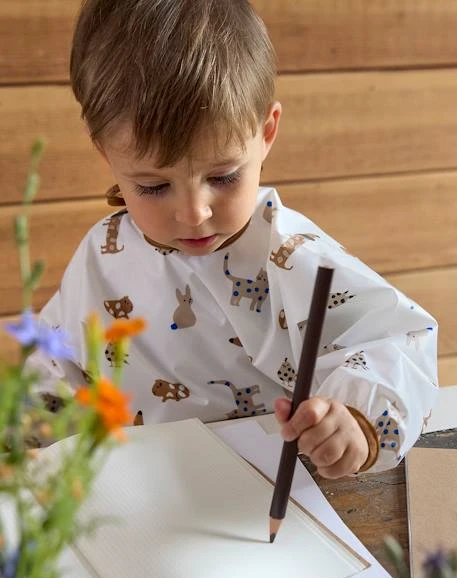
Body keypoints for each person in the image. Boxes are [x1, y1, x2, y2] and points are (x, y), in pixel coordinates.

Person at [27, 0, 438, 478]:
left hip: (270, 488)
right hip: (137, 489)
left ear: (266, 133)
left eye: (222, 177)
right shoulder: (102, 251)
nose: (194, 214)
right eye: (153, 186)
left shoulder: (287, 255)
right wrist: (27, 431)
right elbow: (55, 364)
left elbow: (397, 341)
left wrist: (356, 422)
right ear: (105, 153)